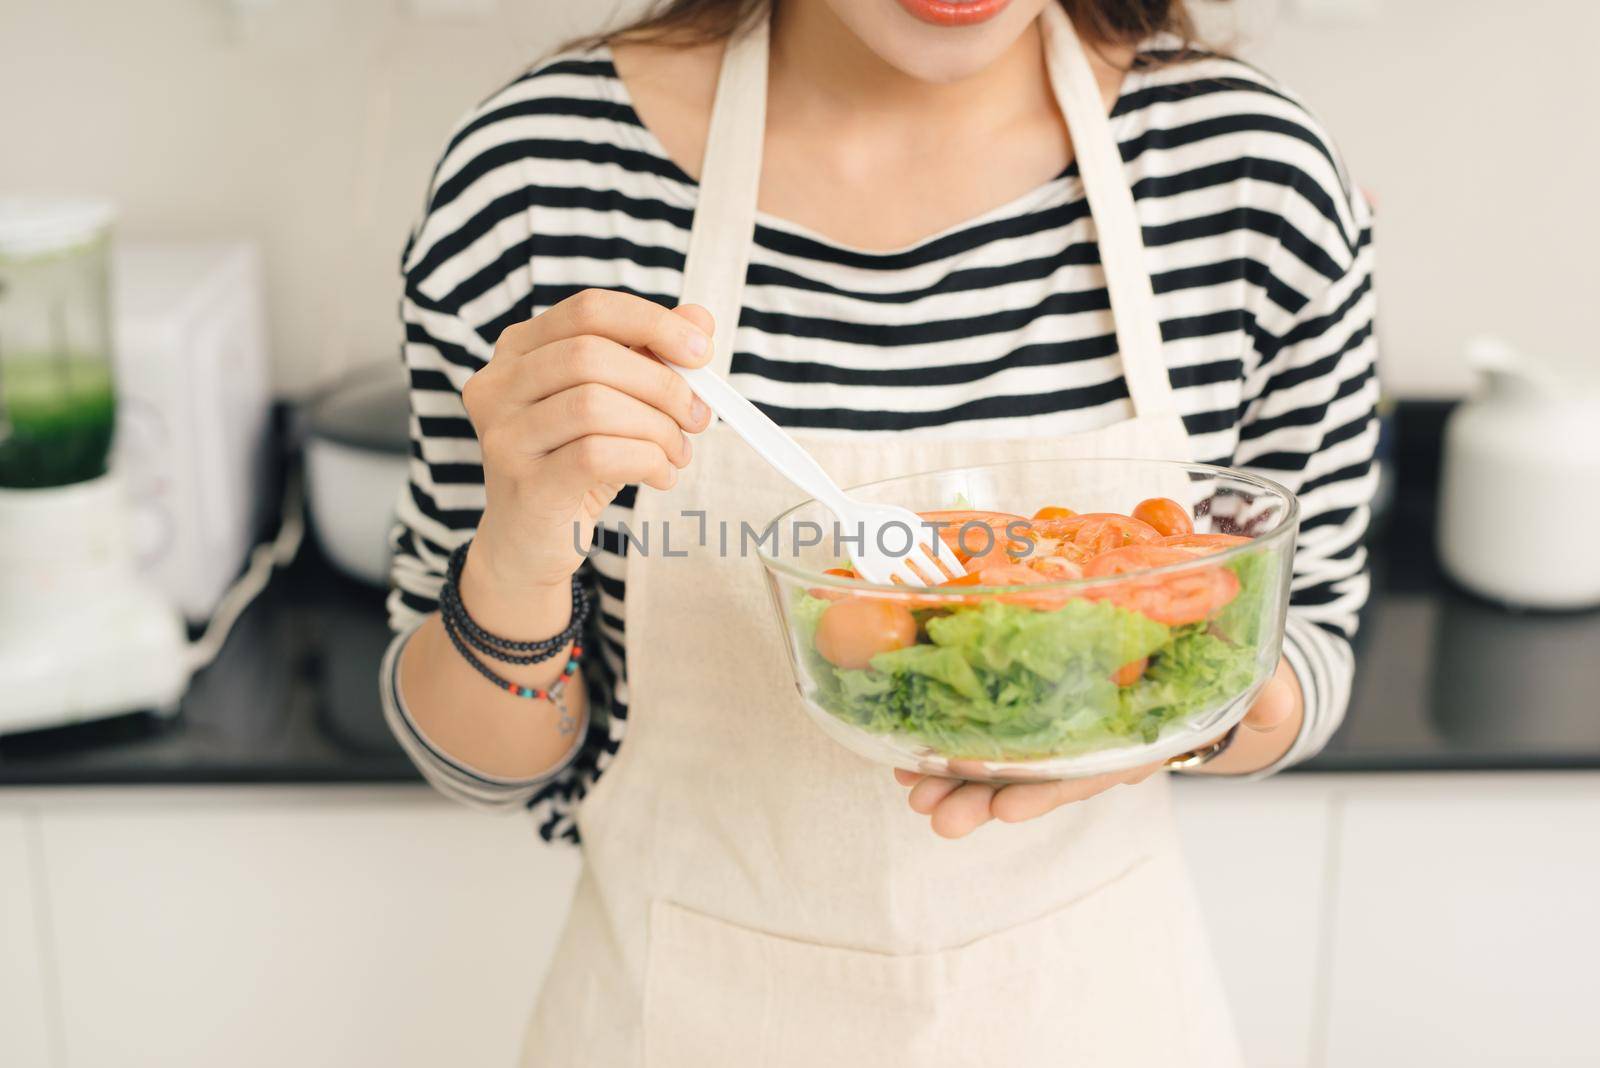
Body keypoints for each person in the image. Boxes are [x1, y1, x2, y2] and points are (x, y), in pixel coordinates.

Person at [380, 0, 1376, 1062]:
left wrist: (1160, 714)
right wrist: (521, 546)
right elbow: (479, 763)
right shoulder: (537, 182)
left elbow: (1305, 640)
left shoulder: (1249, 181)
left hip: (1090, 1015)